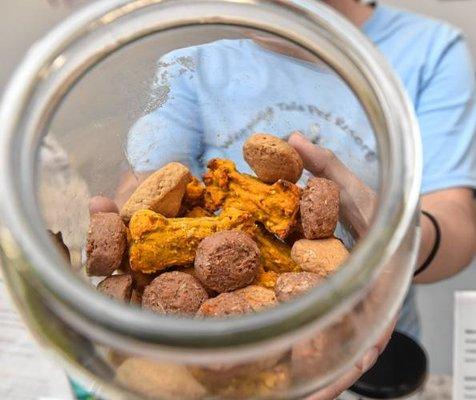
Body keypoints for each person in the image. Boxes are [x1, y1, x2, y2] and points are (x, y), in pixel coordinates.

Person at [92, 0, 476, 398]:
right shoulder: (191, 64)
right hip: (227, 360)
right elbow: (148, 187)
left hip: (371, 342)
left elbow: (456, 222)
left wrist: (390, 238)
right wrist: (128, 236)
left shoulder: (427, 50)